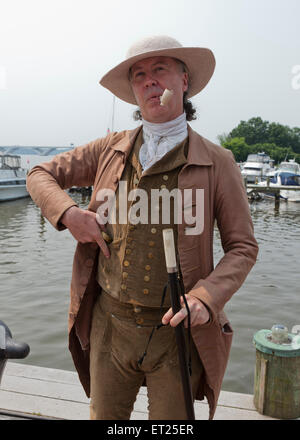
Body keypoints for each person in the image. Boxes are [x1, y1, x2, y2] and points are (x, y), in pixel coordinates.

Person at [26, 35, 259, 420]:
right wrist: (69, 214)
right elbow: (40, 173)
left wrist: (205, 297)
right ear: (133, 90)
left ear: (184, 81)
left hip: (177, 334)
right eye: (139, 75)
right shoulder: (109, 148)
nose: (150, 81)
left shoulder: (218, 162)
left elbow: (243, 247)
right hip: (109, 326)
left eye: (160, 70)